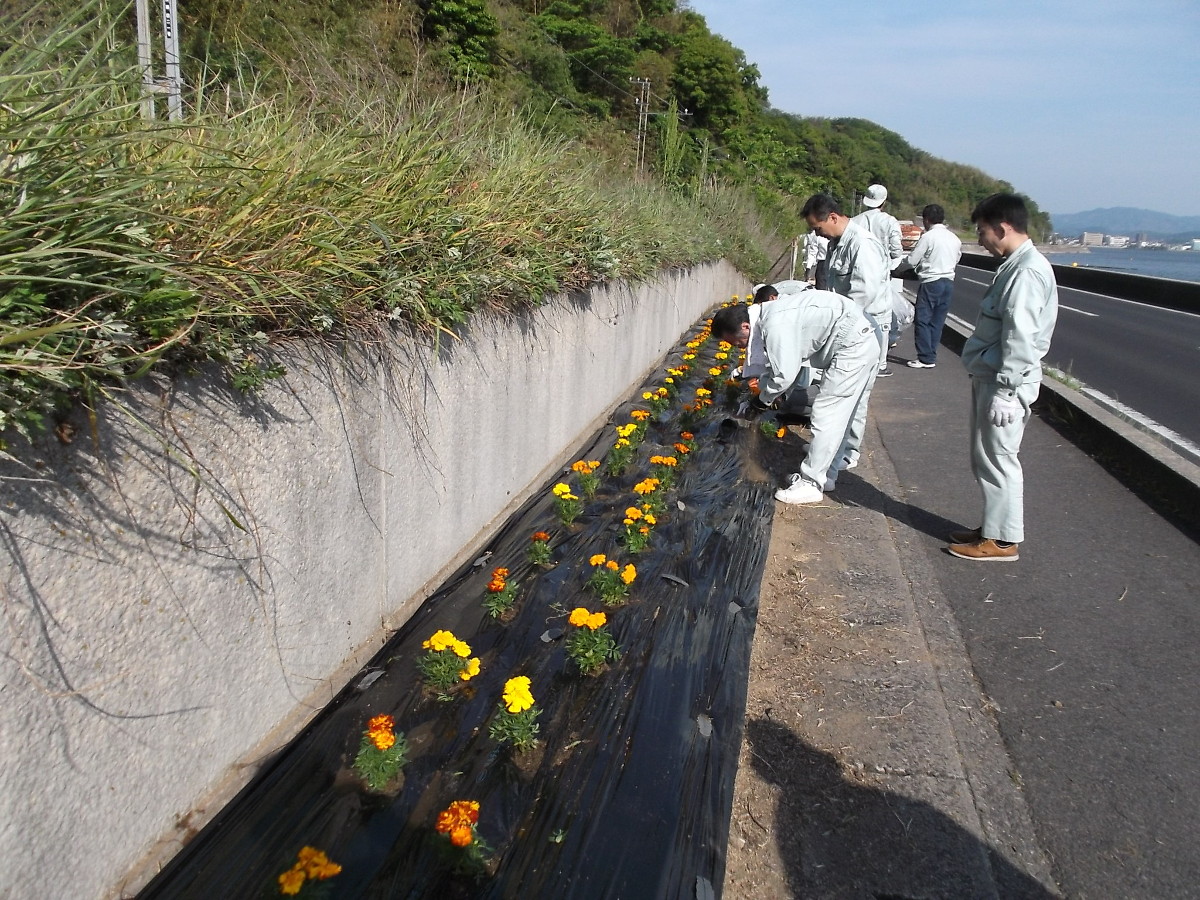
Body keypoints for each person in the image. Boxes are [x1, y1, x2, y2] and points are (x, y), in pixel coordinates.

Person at [949, 193, 1058, 561]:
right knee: (987, 456)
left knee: (999, 458)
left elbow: (1020, 336)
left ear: (1003, 227)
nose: (980, 239)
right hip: (995, 375)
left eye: (982, 231)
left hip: (1004, 380)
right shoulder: (1015, 264)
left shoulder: (1026, 271)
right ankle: (993, 528)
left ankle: (1002, 540)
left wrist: (1008, 391)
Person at [712, 290, 878, 504]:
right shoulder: (770, 316)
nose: (739, 347)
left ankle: (811, 483)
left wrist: (761, 401)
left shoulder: (774, 323)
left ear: (745, 326)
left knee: (828, 415)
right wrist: (766, 390)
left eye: (737, 342)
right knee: (841, 415)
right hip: (859, 340)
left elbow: (783, 375)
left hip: (853, 346)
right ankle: (827, 473)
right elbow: (784, 364)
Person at [802, 194, 892, 379]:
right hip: (849, 323)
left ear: (833, 217)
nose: (817, 234)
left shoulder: (861, 244)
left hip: (864, 324)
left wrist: (838, 325)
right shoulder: (835, 244)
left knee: (847, 389)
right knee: (848, 392)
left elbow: (864, 293)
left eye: (818, 228)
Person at [905, 204, 963, 368]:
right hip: (948, 282)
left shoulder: (928, 237)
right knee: (937, 321)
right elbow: (957, 258)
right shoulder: (954, 238)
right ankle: (930, 355)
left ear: (926, 220)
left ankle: (925, 357)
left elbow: (912, 260)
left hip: (931, 282)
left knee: (922, 319)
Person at [852, 183, 906, 355]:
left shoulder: (855, 221)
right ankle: (880, 362)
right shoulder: (889, 221)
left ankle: (858, 353)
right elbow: (897, 250)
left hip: (857, 273)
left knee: (857, 314)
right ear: (884, 202)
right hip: (881, 275)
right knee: (881, 318)